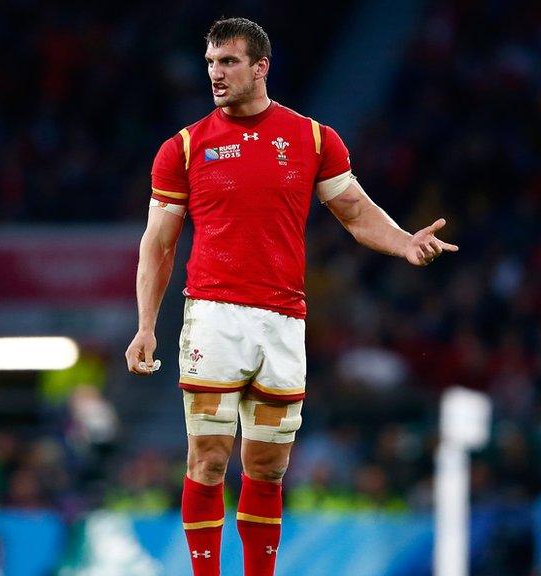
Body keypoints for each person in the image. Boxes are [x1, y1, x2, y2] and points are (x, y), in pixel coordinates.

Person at [123, 17, 456, 576]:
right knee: (207, 460)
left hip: (283, 321)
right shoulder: (183, 148)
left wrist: (404, 244)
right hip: (213, 317)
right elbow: (158, 243)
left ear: (260, 66)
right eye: (210, 62)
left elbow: (354, 212)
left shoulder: (312, 138)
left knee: (269, 468)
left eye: (228, 61)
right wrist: (146, 325)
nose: (216, 73)